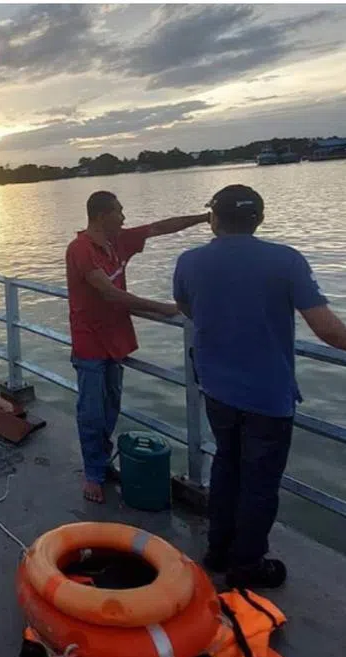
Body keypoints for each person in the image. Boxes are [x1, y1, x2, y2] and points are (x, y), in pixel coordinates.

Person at [173, 184, 346, 589]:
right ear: (260, 219)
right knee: (260, 482)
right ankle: (247, 565)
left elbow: (186, 308)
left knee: (226, 466)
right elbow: (323, 326)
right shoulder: (285, 260)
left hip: (216, 387)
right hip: (267, 395)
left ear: (214, 219)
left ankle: (218, 550)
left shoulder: (189, 261)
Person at [66, 190, 209, 504]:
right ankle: (93, 473)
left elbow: (160, 227)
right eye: (119, 210)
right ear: (102, 215)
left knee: (111, 406)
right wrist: (164, 308)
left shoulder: (117, 241)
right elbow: (109, 293)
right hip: (90, 341)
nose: (124, 216)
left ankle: (103, 462)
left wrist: (203, 218)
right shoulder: (81, 249)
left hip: (115, 340)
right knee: (91, 411)